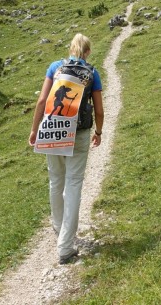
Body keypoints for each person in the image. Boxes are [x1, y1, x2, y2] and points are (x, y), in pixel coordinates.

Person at [28, 33, 104, 264]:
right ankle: (65, 246)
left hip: (53, 129)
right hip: (79, 133)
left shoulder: (54, 67)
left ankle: (58, 228)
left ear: (70, 49)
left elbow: (42, 101)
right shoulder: (92, 73)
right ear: (88, 52)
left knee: (55, 181)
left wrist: (34, 130)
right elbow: (99, 110)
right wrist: (98, 132)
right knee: (73, 184)